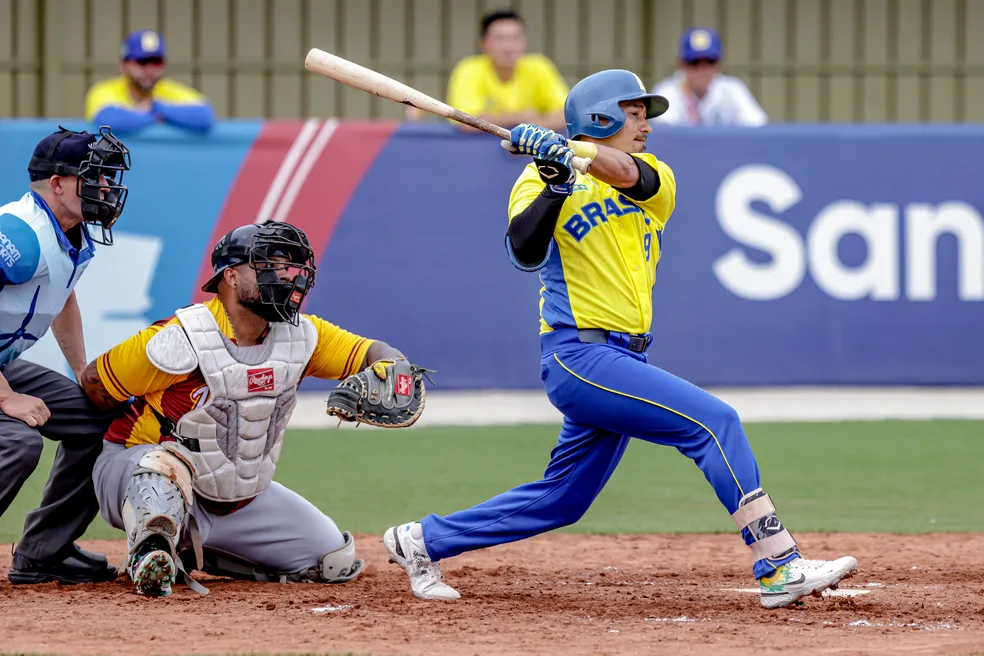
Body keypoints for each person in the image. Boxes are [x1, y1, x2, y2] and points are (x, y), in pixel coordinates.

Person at [383, 69, 857, 609]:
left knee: (564, 499)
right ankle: (778, 563)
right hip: (579, 355)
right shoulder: (541, 179)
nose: (646, 125)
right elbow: (523, 252)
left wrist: (572, 150)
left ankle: (422, 540)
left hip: (625, 354)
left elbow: (632, 175)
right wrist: (558, 185)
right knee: (713, 422)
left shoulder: (654, 175)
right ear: (602, 115)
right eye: (633, 114)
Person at [79, 221, 413, 597]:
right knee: (163, 464)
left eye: (289, 266)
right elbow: (96, 383)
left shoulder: (303, 336)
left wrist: (393, 368)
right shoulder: (182, 337)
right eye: (268, 264)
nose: (286, 276)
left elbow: (372, 351)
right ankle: (153, 551)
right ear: (232, 276)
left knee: (333, 560)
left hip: (238, 497)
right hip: (138, 474)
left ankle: (189, 553)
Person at [1, 125, 131, 585]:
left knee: (103, 418)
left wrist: (83, 372)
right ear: (56, 183)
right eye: (93, 177)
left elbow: (63, 297)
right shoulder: (21, 232)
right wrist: (4, 397)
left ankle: (42, 553)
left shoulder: (72, 235)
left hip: (4, 364)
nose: (106, 188)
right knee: (18, 442)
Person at [443, 10, 568, 133]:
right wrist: (520, 118)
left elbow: (567, 113)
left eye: (515, 38)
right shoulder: (468, 69)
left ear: (524, 42)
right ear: (484, 43)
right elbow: (464, 121)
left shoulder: (539, 67)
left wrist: (535, 129)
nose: (508, 47)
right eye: (499, 38)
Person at [84, 30, 215, 134]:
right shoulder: (104, 90)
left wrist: (154, 107)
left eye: (156, 62)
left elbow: (205, 116)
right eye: (142, 62)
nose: (149, 69)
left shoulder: (166, 88)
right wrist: (158, 117)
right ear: (123, 65)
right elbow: (109, 120)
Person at [649, 28, 767, 127]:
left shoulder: (732, 89)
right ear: (682, 65)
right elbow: (666, 132)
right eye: (694, 62)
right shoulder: (666, 92)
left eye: (709, 62)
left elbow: (757, 124)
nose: (702, 70)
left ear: (718, 65)